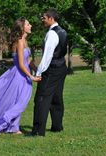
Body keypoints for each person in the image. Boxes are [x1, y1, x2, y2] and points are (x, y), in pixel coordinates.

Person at [31, 8, 68, 136]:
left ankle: (37, 131)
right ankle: (57, 127)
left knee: (41, 98)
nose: (42, 20)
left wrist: (38, 73)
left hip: (51, 69)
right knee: (57, 97)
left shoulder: (52, 34)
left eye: (44, 18)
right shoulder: (63, 31)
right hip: (62, 67)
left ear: (51, 18)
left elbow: (47, 56)